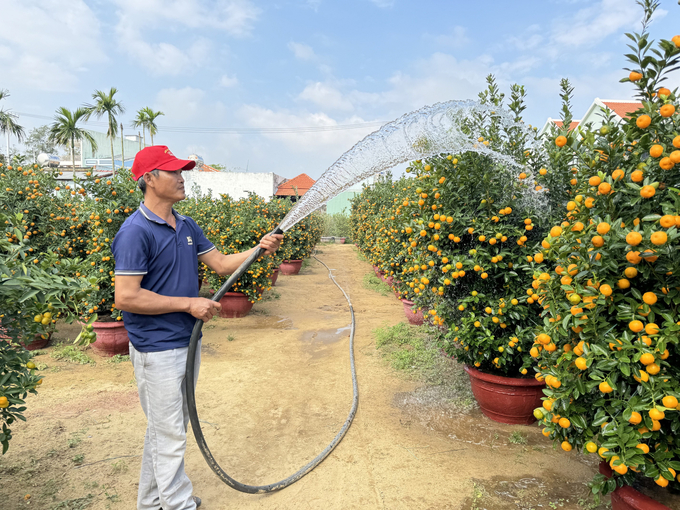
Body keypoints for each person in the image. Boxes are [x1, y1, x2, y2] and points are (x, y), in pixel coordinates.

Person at [112, 146, 282, 510]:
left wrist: (259, 249)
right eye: (172, 171)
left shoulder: (186, 225)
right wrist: (189, 304)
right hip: (157, 348)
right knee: (170, 432)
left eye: (182, 171)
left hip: (186, 342)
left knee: (166, 428)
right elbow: (126, 296)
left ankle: (152, 501)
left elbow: (220, 264)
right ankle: (176, 505)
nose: (181, 177)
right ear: (149, 179)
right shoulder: (135, 231)